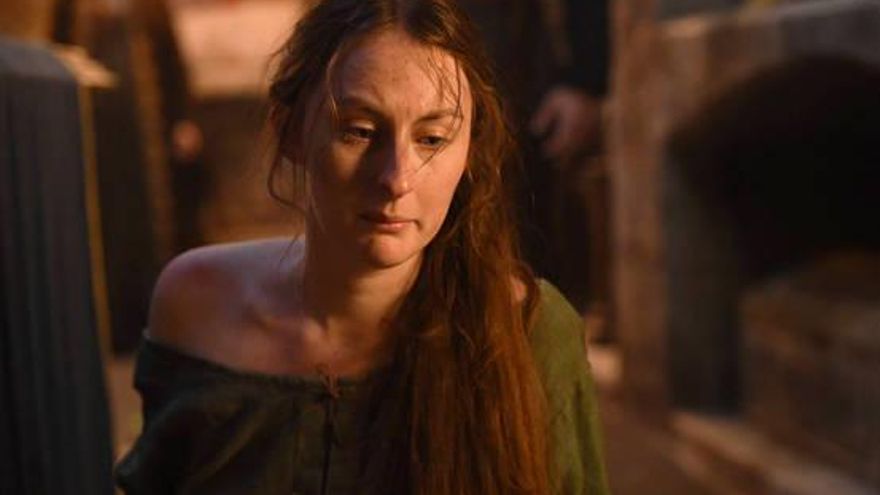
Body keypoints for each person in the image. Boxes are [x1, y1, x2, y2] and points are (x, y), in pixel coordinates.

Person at [114, 0, 609, 493]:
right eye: (360, 131)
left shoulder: (528, 332)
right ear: (290, 132)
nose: (396, 178)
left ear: (469, 153)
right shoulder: (198, 305)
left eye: (432, 138)